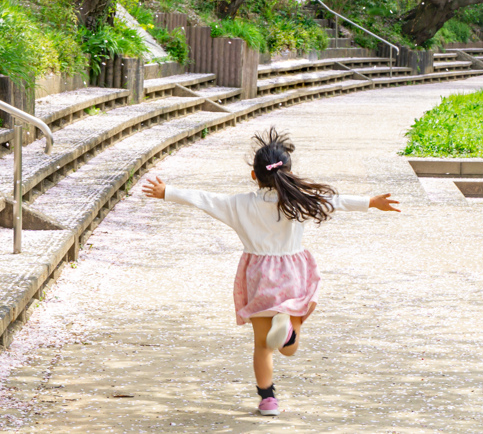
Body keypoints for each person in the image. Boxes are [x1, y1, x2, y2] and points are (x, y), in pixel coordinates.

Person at [141, 128, 400, 417]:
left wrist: (168, 192)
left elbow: (206, 199)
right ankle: (287, 330)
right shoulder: (300, 200)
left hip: (258, 275)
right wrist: (371, 202)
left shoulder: (239, 205)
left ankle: (267, 400)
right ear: (288, 172)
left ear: (254, 176)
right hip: (292, 272)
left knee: (262, 346)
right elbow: (335, 201)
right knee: (288, 350)